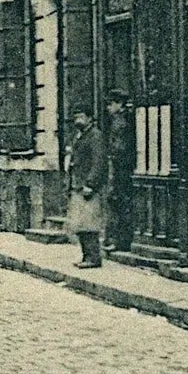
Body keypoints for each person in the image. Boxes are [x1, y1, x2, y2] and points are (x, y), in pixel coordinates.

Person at [65, 108, 106, 268]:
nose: (78, 120)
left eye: (81, 116)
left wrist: (91, 184)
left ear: (90, 118)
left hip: (88, 187)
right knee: (80, 224)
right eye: (76, 117)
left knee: (89, 224)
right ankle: (86, 256)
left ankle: (93, 258)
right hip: (77, 185)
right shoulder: (79, 136)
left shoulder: (95, 136)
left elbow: (98, 162)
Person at [103, 92, 136, 252]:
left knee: (120, 202)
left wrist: (113, 160)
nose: (108, 108)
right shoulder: (120, 119)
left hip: (121, 167)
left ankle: (120, 241)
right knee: (119, 202)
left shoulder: (120, 121)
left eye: (110, 104)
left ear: (119, 104)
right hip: (121, 166)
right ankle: (117, 240)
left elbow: (120, 146)